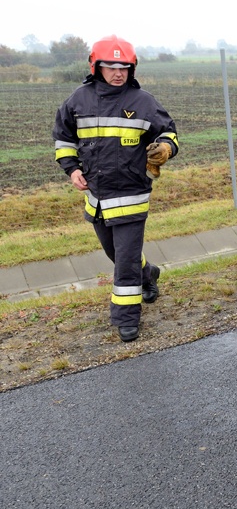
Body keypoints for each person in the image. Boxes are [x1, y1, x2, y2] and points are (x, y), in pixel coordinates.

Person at [53, 35, 178, 342]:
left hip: (131, 194)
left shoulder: (143, 102)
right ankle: (148, 275)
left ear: (131, 68)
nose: (118, 73)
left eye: (124, 67)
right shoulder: (77, 101)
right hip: (96, 197)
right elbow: (63, 138)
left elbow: (170, 134)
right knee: (117, 253)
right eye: (110, 67)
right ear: (96, 67)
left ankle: (126, 317)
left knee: (124, 262)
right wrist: (72, 169)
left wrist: (164, 148)